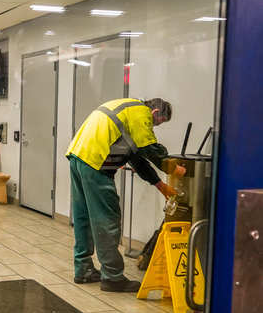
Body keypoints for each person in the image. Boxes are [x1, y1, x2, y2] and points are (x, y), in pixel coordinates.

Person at [66, 98, 186, 292]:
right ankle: (113, 277)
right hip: (96, 163)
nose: (154, 127)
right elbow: (149, 149)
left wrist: (160, 185)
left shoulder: (126, 111)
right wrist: (173, 168)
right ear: (154, 113)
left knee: (84, 217)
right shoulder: (140, 112)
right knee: (107, 219)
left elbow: (136, 158)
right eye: (157, 123)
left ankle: (83, 269)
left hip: (78, 157)